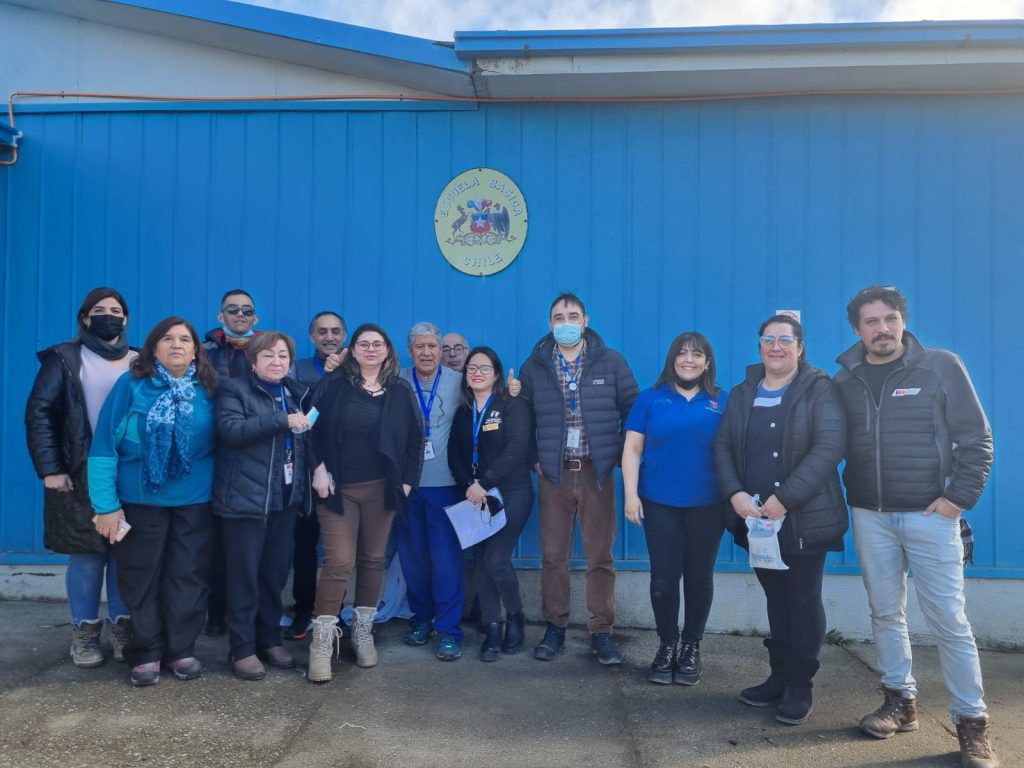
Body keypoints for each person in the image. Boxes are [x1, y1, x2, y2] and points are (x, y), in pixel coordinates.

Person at [834, 285, 998, 768]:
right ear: (857, 329)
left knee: (949, 621)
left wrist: (957, 499)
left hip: (931, 516)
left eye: (890, 318)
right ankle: (900, 703)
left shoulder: (941, 366)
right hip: (870, 515)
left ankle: (973, 722)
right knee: (885, 613)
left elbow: (977, 438)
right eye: (871, 321)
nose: (882, 329)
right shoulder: (846, 378)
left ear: (902, 321)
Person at [713, 314, 847, 726]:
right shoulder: (743, 392)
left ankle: (799, 686)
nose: (776, 347)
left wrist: (786, 499)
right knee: (776, 597)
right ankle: (779, 677)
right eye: (768, 340)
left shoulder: (819, 388)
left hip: (803, 518)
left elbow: (829, 446)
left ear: (799, 347)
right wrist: (735, 493)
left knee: (803, 600)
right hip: (756, 521)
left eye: (785, 340)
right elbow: (722, 446)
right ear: (759, 347)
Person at [88, 317, 218, 686]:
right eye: (167, 338)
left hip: (195, 501)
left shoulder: (209, 388)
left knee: (188, 576)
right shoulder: (131, 385)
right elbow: (103, 446)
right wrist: (105, 506)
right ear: (153, 347)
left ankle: (181, 649)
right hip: (140, 500)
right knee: (141, 577)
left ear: (196, 350)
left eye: (185, 339)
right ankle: (146, 652)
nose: (176, 345)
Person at [517, 292, 639, 665]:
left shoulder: (611, 361)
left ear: (586, 321)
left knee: (600, 556)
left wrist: (615, 454)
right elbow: (521, 420)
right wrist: (534, 459)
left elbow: (633, 410)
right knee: (553, 556)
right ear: (550, 323)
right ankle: (555, 627)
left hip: (595, 474)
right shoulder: (535, 366)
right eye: (558, 317)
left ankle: (601, 631)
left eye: (573, 316)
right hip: (554, 474)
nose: (566, 323)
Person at [25, 287, 137, 668]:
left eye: (117, 311)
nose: (110, 316)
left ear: (126, 318)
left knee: (125, 553)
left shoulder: (140, 360)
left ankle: (123, 628)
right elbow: (40, 413)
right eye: (100, 310)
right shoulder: (65, 358)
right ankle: (85, 633)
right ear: (86, 318)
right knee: (88, 554)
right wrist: (51, 469)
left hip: (129, 473)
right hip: (79, 473)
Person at [307, 323, 423, 683]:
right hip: (337, 488)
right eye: (364, 344)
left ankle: (362, 632)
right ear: (352, 350)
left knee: (372, 560)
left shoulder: (400, 391)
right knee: (339, 561)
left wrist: (407, 483)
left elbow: (415, 441)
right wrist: (318, 469)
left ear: (387, 350)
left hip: (382, 490)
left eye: (378, 344)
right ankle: (321, 643)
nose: (371, 349)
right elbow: (309, 429)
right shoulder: (334, 385)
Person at [621, 332, 726, 686]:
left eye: (697, 354)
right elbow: (632, 448)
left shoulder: (722, 401)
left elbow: (735, 450)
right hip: (659, 503)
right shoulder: (650, 399)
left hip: (708, 505)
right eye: (682, 353)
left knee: (699, 577)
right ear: (672, 360)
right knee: (663, 579)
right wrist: (631, 494)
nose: (689, 359)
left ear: (707, 363)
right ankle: (667, 644)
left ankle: (691, 646)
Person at [213, 332, 312, 680]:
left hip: (285, 500)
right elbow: (230, 431)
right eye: (268, 355)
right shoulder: (235, 390)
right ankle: (241, 648)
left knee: (274, 575)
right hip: (245, 501)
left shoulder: (296, 394)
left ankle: (268, 638)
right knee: (244, 576)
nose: (276, 362)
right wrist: (280, 420)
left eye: (283, 356)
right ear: (253, 362)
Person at [447, 347, 534, 661]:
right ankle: (493, 627)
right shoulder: (462, 412)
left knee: (496, 559)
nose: (477, 373)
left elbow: (517, 448)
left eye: (484, 368)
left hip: (511, 492)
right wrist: (470, 486)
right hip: (475, 496)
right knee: (482, 562)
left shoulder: (512, 405)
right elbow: (454, 455)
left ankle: (516, 617)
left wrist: (485, 482)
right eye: (471, 368)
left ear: (496, 373)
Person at [398, 322, 466, 661]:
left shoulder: (459, 381)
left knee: (446, 560)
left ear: (441, 351)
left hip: (446, 485)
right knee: (413, 559)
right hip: (406, 485)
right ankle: (422, 619)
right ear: (410, 352)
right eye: (420, 347)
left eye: (432, 347)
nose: (427, 353)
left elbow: (490, 404)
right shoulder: (396, 380)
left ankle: (449, 629)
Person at [202, 288, 261, 637]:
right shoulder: (204, 353)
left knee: (246, 545)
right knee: (214, 541)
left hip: (254, 455)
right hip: (212, 453)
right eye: (233, 309)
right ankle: (215, 610)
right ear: (220, 316)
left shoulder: (265, 349)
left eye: (247, 310)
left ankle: (247, 615)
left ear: (255, 317)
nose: (240, 315)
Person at [286, 311, 346, 641]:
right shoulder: (298, 370)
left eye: (335, 331)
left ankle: (335, 611)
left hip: (346, 469)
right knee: (304, 545)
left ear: (344, 335)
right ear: (312, 337)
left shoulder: (356, 368)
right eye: (322, 332)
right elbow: (300, 415)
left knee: (341, 549)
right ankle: (302, 609)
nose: (329, 337)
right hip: (307, 468)